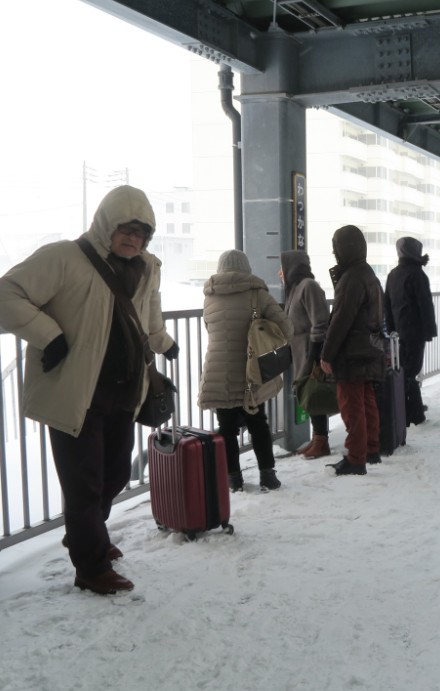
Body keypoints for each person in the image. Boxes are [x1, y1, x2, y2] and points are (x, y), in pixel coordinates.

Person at [0, 185, 177, 595]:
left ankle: (84, 533)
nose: (133, 240)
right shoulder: (65, 257)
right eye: (126, 230)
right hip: (75, 393)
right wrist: (50, 335)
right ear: (105, 226)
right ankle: (90, 566)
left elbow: (149, 315)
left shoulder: (146, 267)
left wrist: (164, 343)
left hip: (123, 391)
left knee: (114, 473)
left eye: (142, 233)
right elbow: (6, 292)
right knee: (84, 484)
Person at [199, 250, 292, 492]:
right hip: (252, 369)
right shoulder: (257, 294)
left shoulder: (210, 296)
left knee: (226, 428)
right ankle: (267, 475)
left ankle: (233, 479)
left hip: (218, 370)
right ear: (246, 268)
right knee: (257, 421)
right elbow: (286, 327)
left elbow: (209, 328)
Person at [320, 225, 386, 476]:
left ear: (344, 248)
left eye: (336, 246)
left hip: (353, 351)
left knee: (352, 405)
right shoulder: (368, 274)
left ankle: (356, 458)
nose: (334, 251)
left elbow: (340, 319)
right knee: (367, 400)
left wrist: (327, 354)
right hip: (370, 348)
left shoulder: (351, 278)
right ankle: (371, 449)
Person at [280, 250, 332, 459]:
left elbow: (320, 322)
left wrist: (315, 354)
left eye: (283, 267)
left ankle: (321, 441)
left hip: (310, 349)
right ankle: (318, 437)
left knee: (315, 392)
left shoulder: (308, 287)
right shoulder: (295, 289)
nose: (280, 273)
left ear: (292, 267)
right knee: (309, 394)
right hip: (300, 350)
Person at [384, 236, 437, 426]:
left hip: (398, 332)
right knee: (411, 370)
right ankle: (412, 413)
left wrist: (390, 330)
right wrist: (430, 330)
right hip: (415, 331)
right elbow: (425, 304)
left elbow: (387, 305)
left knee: (403, 369)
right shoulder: (417, 274)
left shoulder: (393, 274)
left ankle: (411, 411)